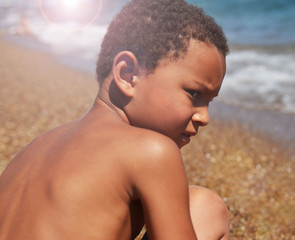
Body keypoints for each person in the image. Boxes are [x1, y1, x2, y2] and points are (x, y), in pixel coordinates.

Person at [0, 0, 230, 239]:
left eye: (209, 101)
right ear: (128, 74)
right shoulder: (153, 151)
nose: (204, 117)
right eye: (194, 94)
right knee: (205, 208)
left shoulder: (32, 150)